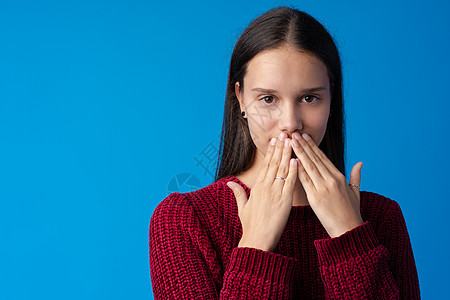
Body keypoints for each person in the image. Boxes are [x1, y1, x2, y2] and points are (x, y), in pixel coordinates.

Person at [149, 6, 420, 299]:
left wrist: (349, 236)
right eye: (268, 99)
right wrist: (254, 247)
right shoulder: (185, 220)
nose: (291, 122)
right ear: (240, 98)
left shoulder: (380, 218)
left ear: (332, 98)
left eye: (309, 97)